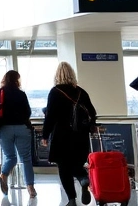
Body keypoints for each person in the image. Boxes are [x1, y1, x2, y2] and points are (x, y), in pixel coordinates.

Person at [42, 62, 97, 206]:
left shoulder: (55, 92)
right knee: (77, 164)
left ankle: (72, 200)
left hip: (61, 135)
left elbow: (50, 116)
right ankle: (83, 178)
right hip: (81, 135)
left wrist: (45, 135)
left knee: (64, 167)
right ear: (72, 74)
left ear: (57, 75)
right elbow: (92, 112)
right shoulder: (81, 92)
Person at [0, 70, 37, 198]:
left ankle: (4, 174)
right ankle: (30, 187)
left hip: (4, 129)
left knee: (10, 157)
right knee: (26, 159)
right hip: (21, 128)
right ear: (17, 80)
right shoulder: (21, 94)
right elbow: (28, 112)